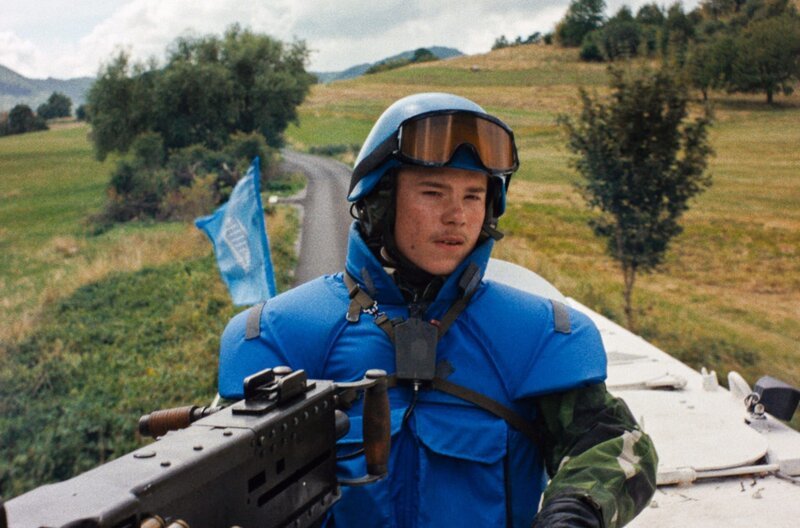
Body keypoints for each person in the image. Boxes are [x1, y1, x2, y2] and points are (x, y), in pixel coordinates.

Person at [218, 92, 657, 527]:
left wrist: (577, 508)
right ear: (380, 200)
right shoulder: (282, 335)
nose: (457, 217)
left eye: (473, 196)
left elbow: (616, 444)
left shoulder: (537, 337)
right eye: (433, 192)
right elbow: (215, 474)